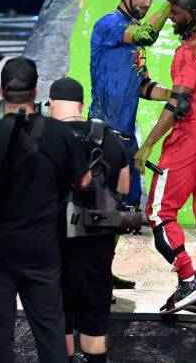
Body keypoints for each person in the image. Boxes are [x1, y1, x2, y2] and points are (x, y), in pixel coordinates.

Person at [0, 57, 90, 363]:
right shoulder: (60, 135)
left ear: (1, 92)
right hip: (43, 252)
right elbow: (83, 180)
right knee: (50, 332)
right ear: (36, 92)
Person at [133, 0, 196, 315]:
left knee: (159, 212)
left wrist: (148, 143)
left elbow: (179, 103)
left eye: (175, 13)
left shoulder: (188, 50)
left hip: (194, 135)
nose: (171, 19)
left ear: (192, 12)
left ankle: (189, 280)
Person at [47, 77, 129, 363]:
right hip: (96, 240)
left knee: (60, 317)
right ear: (82, 106)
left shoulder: (44, 136)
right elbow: (124, 188)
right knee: (94, 318)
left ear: (51, 104)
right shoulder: (108, 137)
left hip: (53, 240)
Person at [90, 0, 184, 209]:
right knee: (104, 212)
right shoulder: (109, 24)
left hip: (127, 140)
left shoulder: (135, 43)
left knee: (130, 212)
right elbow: (146, 35)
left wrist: (172, 94)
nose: (147, 3)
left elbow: (142, 86)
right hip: (102, 137)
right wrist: (171, 0)